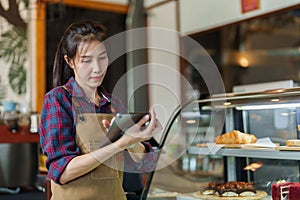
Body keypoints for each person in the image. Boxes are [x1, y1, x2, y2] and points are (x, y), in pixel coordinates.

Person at [39, 20, 162, 200]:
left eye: (102, 57)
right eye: (86, 60)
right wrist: (118, 144)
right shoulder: (58, 100)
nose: (97, 68)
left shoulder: (114, 103)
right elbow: (62, 171)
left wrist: (135, 141)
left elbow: (142, 163)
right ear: (70, 61)